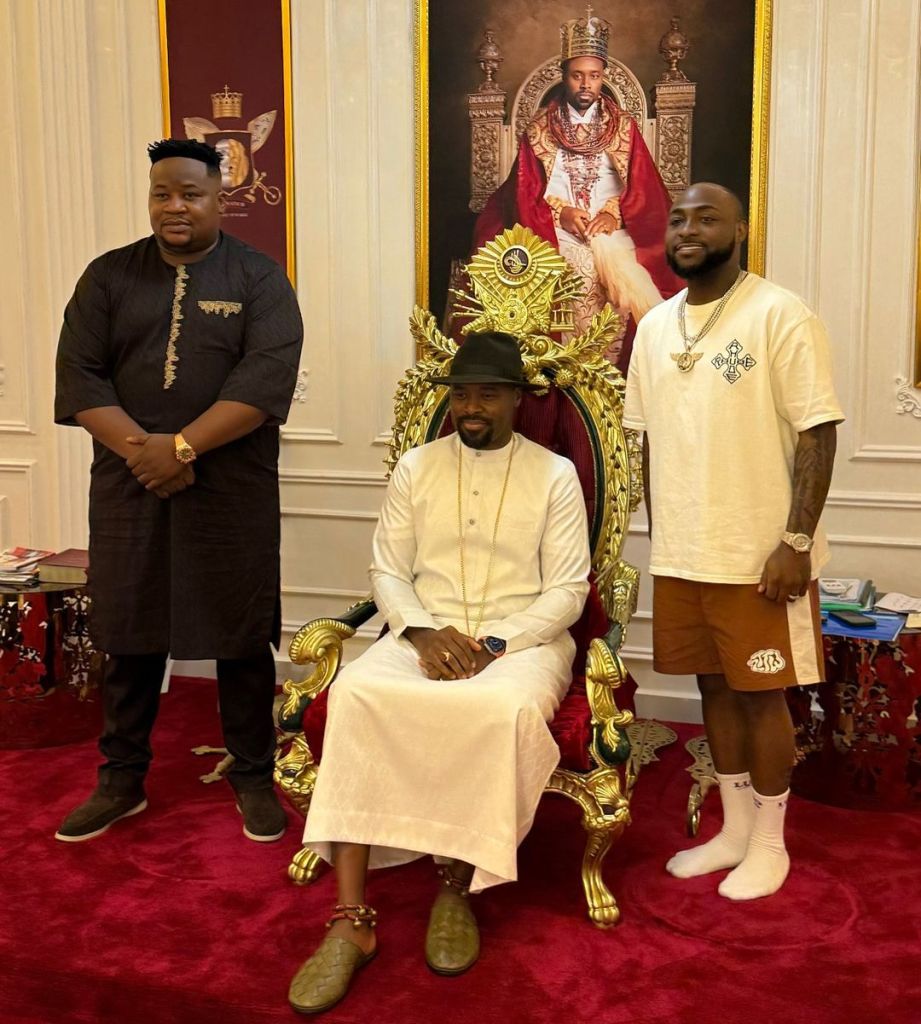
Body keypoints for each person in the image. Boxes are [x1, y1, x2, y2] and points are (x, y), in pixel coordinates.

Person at [287, 332, 591, 1014]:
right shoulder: (415, 467)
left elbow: (568, 591)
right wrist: (421, 632)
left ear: (517, 400)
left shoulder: (554, 475)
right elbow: (388, 571)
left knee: (499, 710)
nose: (471, 407)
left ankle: (457, 883)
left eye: (487, 394)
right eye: (461, 395)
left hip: (525, 640)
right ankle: (351, 919)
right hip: (422, 628)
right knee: (357, 694)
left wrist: (495, 643)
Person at [53, 138, 304, 844]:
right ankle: (120, 780)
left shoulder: (259, 278)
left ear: (220, 198)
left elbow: (265, 380)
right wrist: (147, 453)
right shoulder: (108, 276)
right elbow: (79, 377)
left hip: (230, 486)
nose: (174, 207)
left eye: (190, 194)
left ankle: (252, 774)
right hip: (129, 482)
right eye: (161, 193)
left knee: (238, 632)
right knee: (128, 628)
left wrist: (184, 447)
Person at [623, 182, 844, 900]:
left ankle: (771, 845)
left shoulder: (779, 313)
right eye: (678, 219)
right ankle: (734, 830)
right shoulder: (654, 327)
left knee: (761, 696)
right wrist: (662, 533)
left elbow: (817, 432)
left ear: (739, 231)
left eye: (706, 218)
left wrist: (795, 541)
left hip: (761, 554)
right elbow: (649, 439)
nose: (688, 230)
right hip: (685, 552)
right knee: (712, 688)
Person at [473, 6, 682, 368]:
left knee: (632, 277)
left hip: (613, 227)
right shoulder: (540, 127)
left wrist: (612, 213)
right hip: (553, 227)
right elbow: (525, 193)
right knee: (567, 269)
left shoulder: (623, 127)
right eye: (577, 76)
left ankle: (615, 378)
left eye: (594, 76)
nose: (586, 84)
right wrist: (563, 213)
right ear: (564, 76)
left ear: (603, 77)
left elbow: (643, 191)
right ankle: (563, 377)